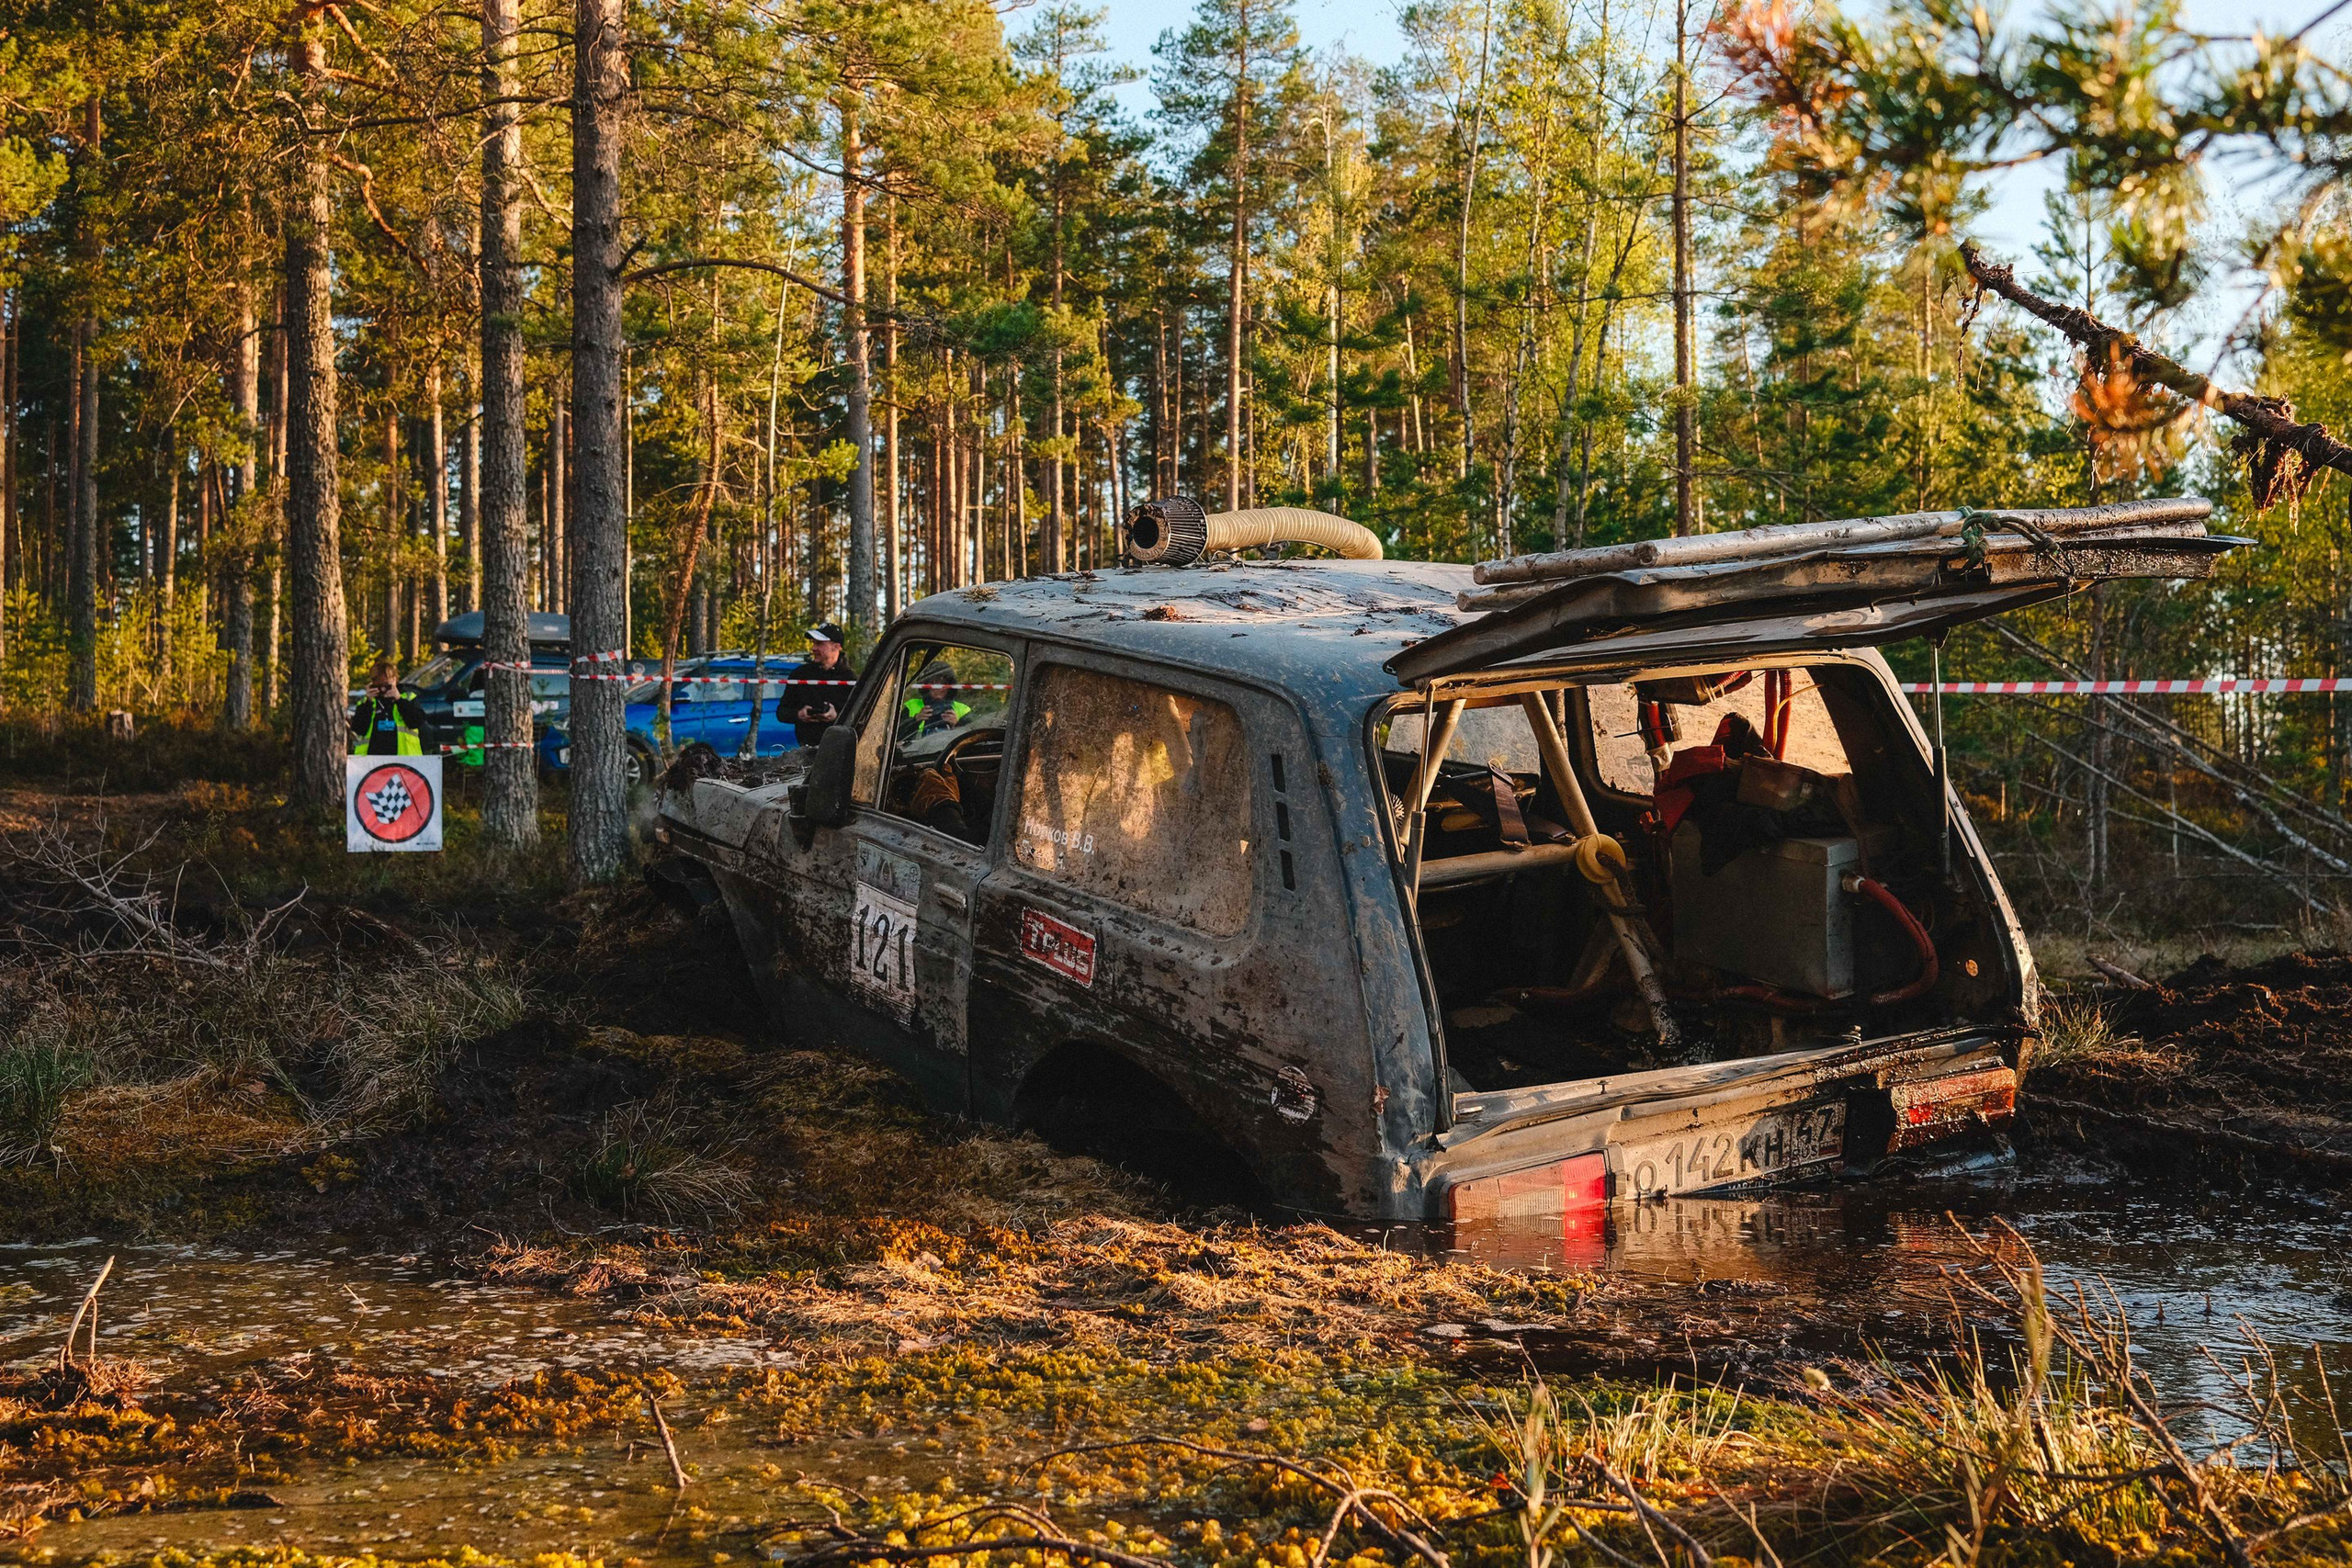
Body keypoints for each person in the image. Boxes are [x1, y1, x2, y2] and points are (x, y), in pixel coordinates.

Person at [777, 623, 859, 748]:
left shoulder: (850, 678)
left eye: (819, 644)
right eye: (814, 643)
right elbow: (781, 712)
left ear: (836, 647)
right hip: (805, 748)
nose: (814, 648)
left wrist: (836, 715)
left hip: (839, 748)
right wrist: (799, 714)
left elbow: (859, 716)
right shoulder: (800, 674)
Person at [349, 658, 426, 756]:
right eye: (379, 684)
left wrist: (399, 700)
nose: (383, 689)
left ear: (394, 680)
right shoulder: (366, 703)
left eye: (386, 684)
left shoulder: (408, 698)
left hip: (404, 761)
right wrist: (368, 703)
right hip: (371, 762)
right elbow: (359, 729)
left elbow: (416, 722)